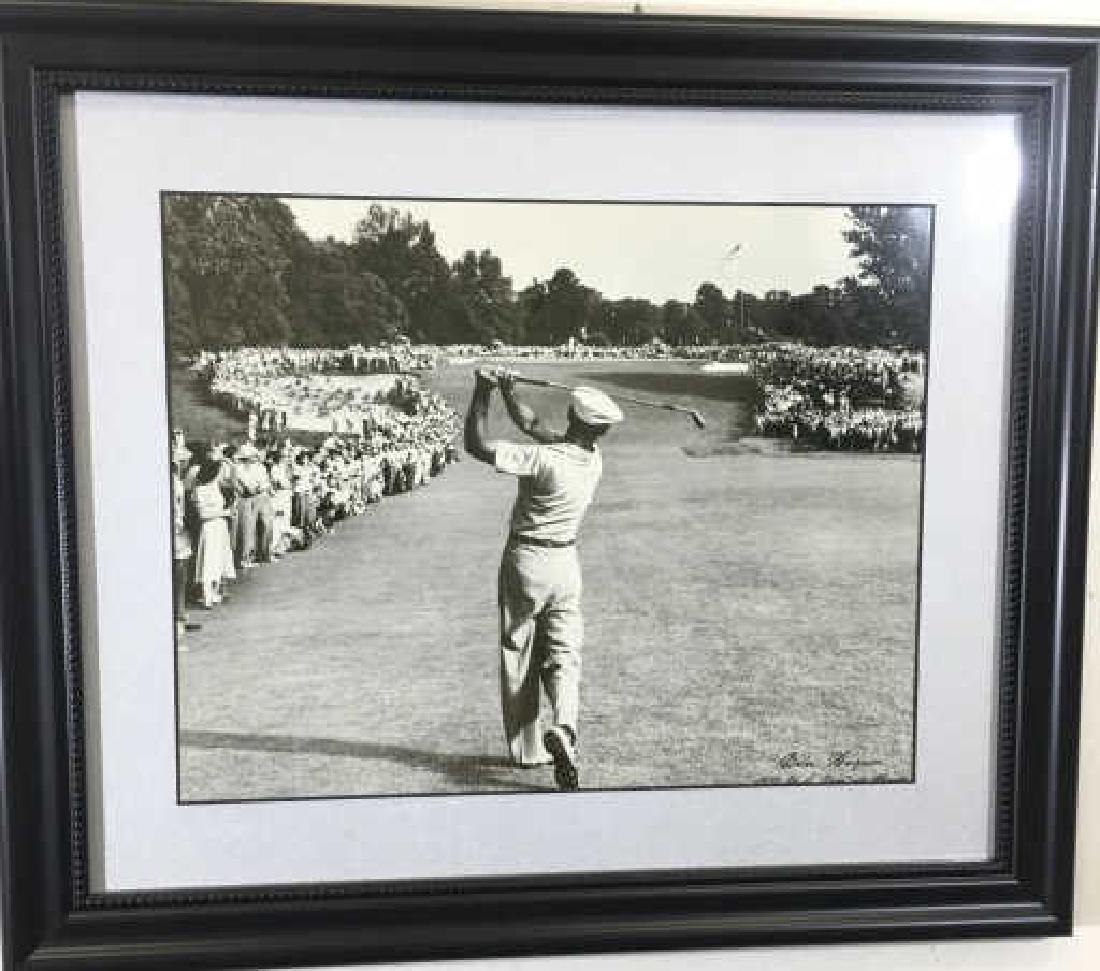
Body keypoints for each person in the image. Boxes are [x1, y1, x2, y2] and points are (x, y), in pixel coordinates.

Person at [464, 367, 623, 791]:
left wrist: (483, 391)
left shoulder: (543, 459)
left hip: (527, 561)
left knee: (519, 651)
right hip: (566, 564)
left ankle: (530, 749)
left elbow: (477, 445)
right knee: (564, 654)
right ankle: (565, 727)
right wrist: (510, 391)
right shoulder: (593, 460)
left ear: (571, 415)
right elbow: (533, 424)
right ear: (601, 429)